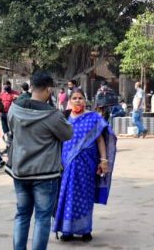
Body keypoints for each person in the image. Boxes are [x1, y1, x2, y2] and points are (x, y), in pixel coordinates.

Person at [7, 72, 73, 250]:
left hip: (20, 171)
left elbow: (11, 128)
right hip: (45, 174)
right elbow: (68, 134)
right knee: (42, 218)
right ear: (49, 89)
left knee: (22, 215)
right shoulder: (52, 115)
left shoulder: (14, 108)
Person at [53, 89, 117, 242]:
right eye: (74, 98)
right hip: (66, 164)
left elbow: (100, 140)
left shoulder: (93, 118)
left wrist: (104, 160)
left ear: (85, 100)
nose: (77, 101)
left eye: (80, 98)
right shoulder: (64, 118)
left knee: (85, 196)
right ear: (69, 100)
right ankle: (67, 231)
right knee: (67, 195)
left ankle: (85, 229)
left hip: (87, 165)